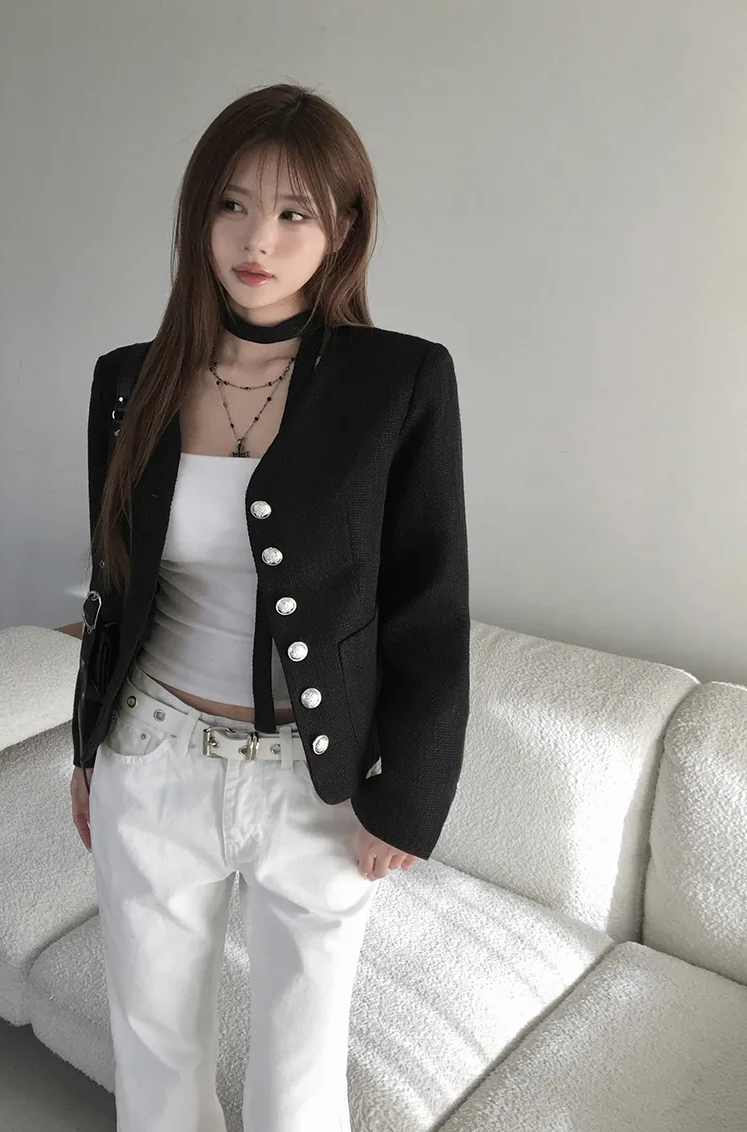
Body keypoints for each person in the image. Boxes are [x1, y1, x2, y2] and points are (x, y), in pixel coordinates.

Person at [69, 82, 470, 1132]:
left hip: (315, 785)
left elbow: (428, 604)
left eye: (295, 212)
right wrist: (87, 750)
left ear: (344, 229)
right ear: (197, 215)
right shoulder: (128, 382)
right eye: (232, 205)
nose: (258, 239)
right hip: (152, 757)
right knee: (154, 1058)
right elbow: (115, 589)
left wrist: (409, 795)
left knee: (300, 1085)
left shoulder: (400, 382)